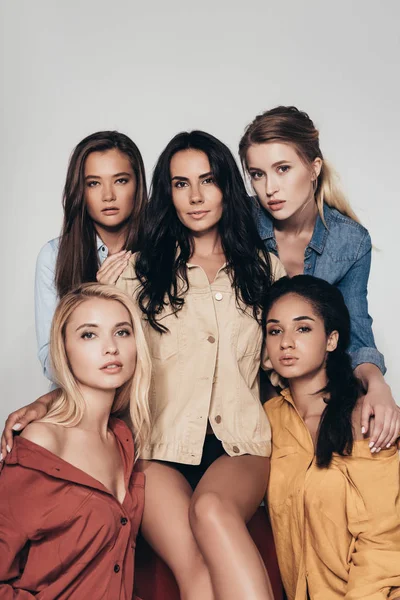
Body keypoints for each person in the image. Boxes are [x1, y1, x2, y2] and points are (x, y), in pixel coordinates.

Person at [114, 130, 285, 599]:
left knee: (212, 509)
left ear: (227, 187)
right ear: (167, 192)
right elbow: (103, 360)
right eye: (180, 183)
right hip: (159, 446)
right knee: (196, 570)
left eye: (207, 181)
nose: (194, 196)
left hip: (240, 444)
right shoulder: (137, 271)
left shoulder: (264, 269)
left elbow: (285, 361)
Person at [239, 105, 400, 452]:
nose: (270, 188)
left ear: (314, 169)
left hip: (313, 393)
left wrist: (377, 384)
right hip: (245, 388)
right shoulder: (239, 223)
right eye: (257, 174)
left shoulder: (350, 241)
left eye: (283, 169)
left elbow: (355, 329)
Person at [0, 283, 152, 599]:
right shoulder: (43, 440)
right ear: (63, 349)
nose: (111, 347)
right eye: (89, 334)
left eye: (122, 332)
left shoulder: (123, 440)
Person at [263, 275, 400, 600]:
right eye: (275, 330)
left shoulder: (365, 416)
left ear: (332, 340)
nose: (286, 342)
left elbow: (382, 540)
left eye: (303, 328)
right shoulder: (267, 421)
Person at [35, 130, 147, 381]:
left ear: (137, 185)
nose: (108, 195)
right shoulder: (54, 256)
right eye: (93, 183)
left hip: (151, 403)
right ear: (80, 190)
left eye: (120, 180)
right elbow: (50, 362)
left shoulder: (164, 252)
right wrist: (95, 299)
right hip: (83, 409)